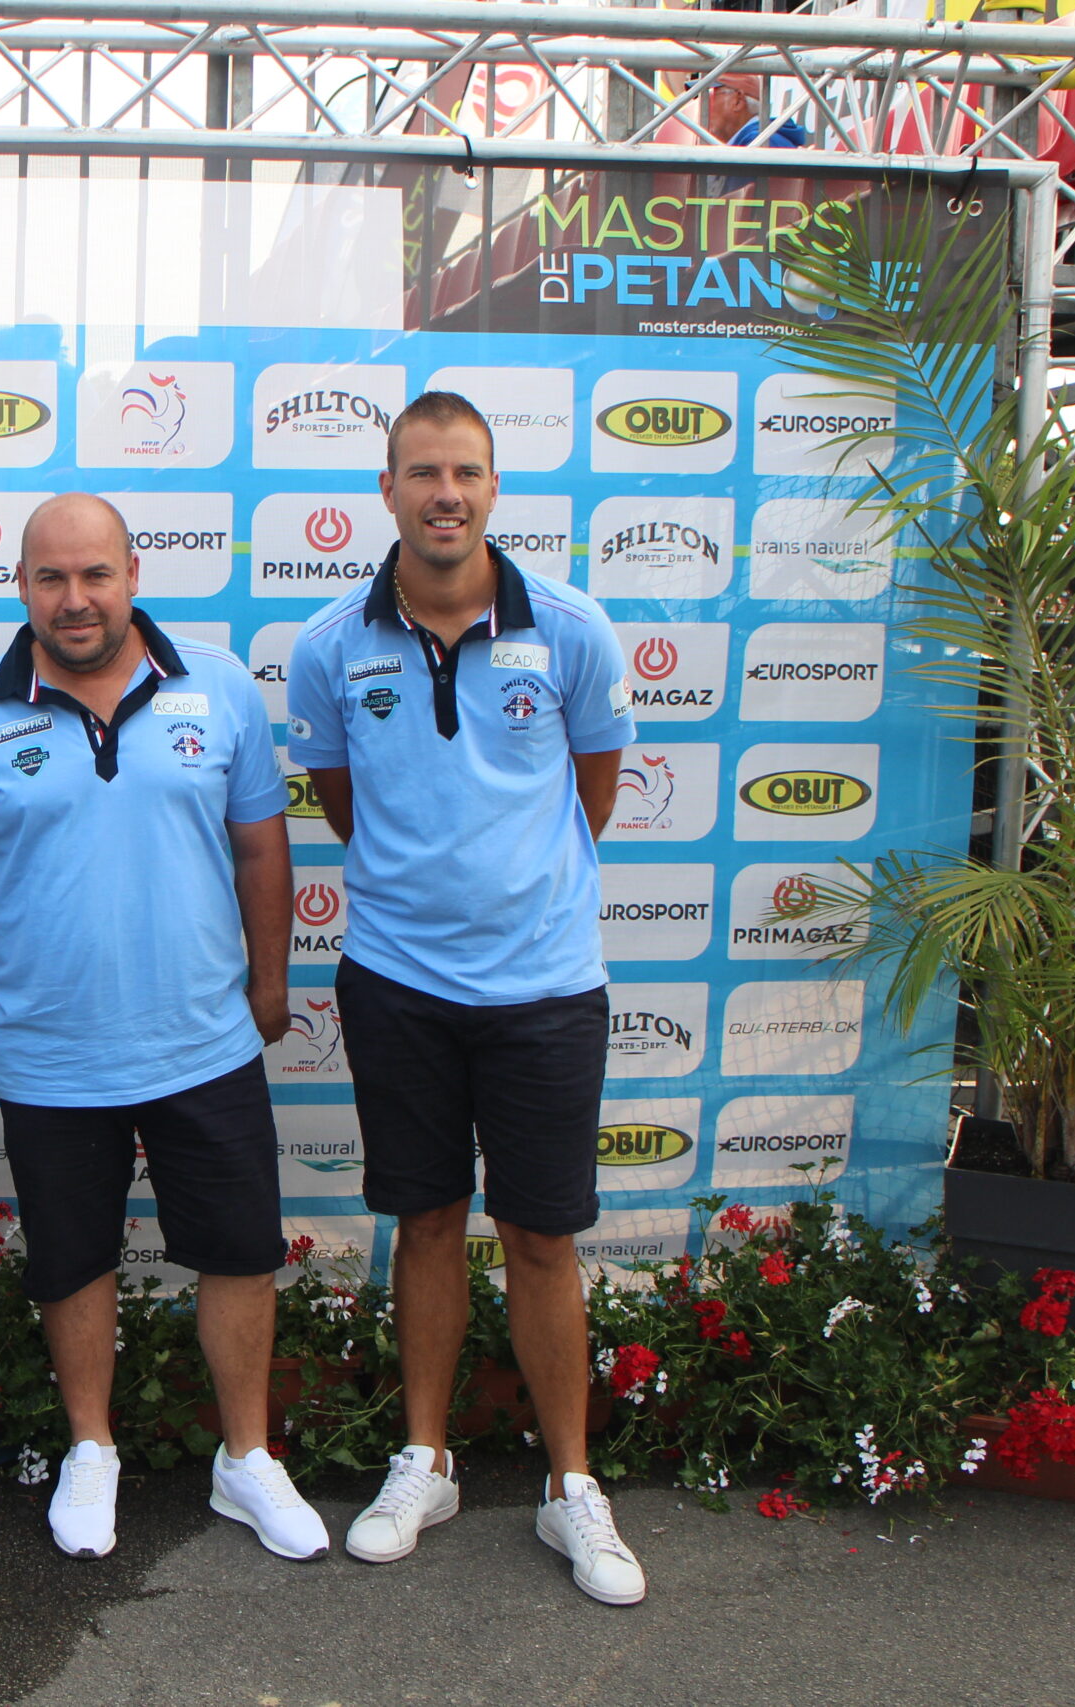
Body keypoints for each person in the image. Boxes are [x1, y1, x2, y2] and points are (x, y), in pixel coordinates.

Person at [285, 392, 648, 1605]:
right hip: (398, 985)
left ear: (494, 489)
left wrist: (511, 895)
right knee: (427, 1220)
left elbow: (591, 797)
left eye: (467, 473)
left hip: (546, 987)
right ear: (386, 489)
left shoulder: (575, 631)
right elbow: (346, 807)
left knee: (542, 1236)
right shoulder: (331, 646)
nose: (446, 493)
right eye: (423, 472)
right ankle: (425, 1461)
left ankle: (570, 1486)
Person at [0, 493, 318, 1563]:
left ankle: (246, 1456)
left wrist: (269, 981)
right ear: (21, 587)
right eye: (51, 578)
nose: (75, 598)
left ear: (134, 575)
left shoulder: (218, 688)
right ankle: (91, 1447)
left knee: (239, 1253)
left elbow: (262, 845)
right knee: (71, 1259)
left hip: (202, 1039)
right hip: (48, 1049)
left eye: (96, 574)